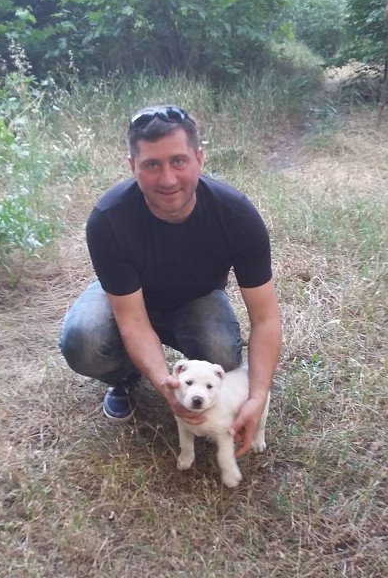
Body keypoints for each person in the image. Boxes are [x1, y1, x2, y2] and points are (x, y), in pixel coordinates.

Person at [59, 104, 281, 457]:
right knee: (83, 341)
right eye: (151, 165)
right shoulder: (108, 219)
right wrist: (167, 388)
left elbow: (266, 318)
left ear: (199, 159)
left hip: (197, 298)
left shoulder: (236, 215)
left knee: (222, 356)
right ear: (132, 166)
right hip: (128, 298)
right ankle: (124, 379)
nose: (167, 179)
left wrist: (257, 395)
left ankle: (195, 378)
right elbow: (132, 320)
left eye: (178, 161)